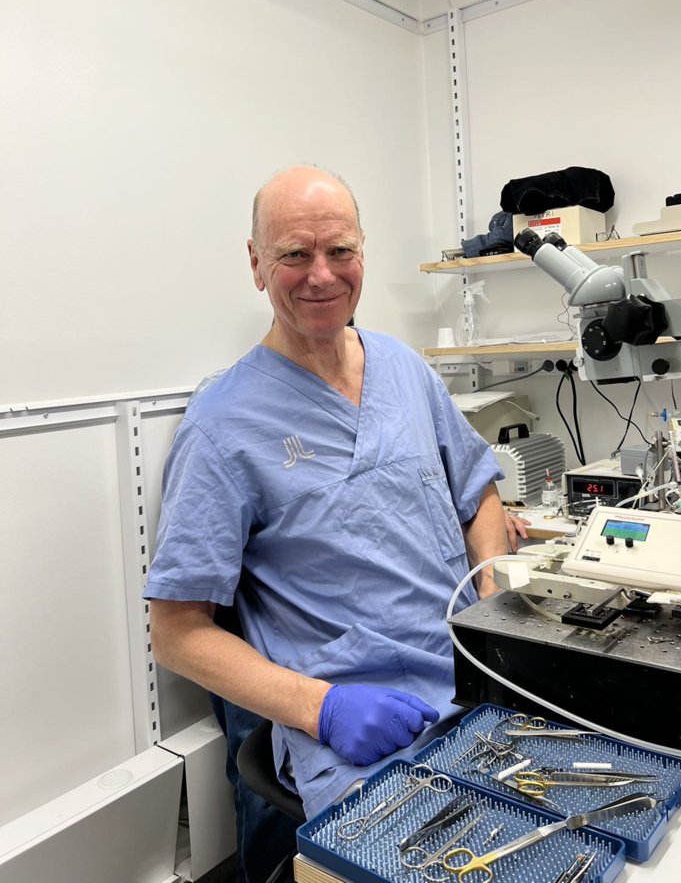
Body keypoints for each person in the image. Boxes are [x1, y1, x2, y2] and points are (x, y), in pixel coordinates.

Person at [145, 164, 517, 865]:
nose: (322, 274)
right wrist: (323, 710)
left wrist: (491, 609)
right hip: (363, 734)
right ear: (256, 265)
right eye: (295, 254)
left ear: (362, 253)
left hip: (478, 688)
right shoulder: (224, 427)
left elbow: (480, 493)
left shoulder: (404, 368)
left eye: (340, 250)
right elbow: (177, 633)